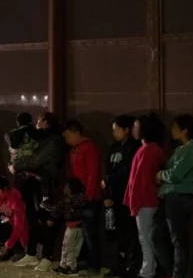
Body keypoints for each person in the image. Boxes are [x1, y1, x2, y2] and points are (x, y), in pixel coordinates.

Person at [151, 114, 193, 278]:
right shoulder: (182, 149)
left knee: (177, 240)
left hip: (179, 198)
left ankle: (177, 274)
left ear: (185, 131)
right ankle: (173, 272)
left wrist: (160, 175)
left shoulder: (192, 149)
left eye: (175, 127)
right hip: (172, 197)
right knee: (156, 236)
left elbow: (176, 174)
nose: (172, 130)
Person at [11, 112, 65, 271]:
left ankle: (47, 256)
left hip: (45, 184)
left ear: (47, 123)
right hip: (33, 182)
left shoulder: (54, 140)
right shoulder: (38, 138)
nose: (36, 123)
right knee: (33, 219)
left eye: (40, 120)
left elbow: (37, 160)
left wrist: (17, 166)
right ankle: (32, 253)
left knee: (46, 220)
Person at [124, 114, 166, 278]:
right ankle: (149, 269)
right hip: (147, 200)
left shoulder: (148, 151)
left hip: (145, 201)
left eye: (136, 125)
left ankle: (147, 271)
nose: (134, 129)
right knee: (146, 237)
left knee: (145, 238)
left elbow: (139, 182)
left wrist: (133, 202)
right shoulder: (149, 149)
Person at [103, 115, 142, 278]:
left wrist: (108, 180)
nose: (114, 133)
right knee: (118, 233)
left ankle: (133, 266)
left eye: (117, 129)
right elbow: (108, 171)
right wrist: (107, 194)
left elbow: (128, 173)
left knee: (131, 232)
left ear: (126, 130)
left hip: (129, 197)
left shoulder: (134, 148)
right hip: (115, 197)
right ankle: (120, 264)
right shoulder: (114, 147)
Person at [62, 119, 102, 276]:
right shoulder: (75, 149)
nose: (66, 140)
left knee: (90, 234)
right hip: (79, 198)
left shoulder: (89, 147)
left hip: (89, 198)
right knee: (81, 234)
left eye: (67, 135)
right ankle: (83, 262)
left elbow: (93, 173)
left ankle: (94, 266)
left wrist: (87, 197)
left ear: (76, 133)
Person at [48, 178, 88, 276]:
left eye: (66, 186)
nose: (64, 188)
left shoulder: (80, 198)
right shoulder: (65, 201)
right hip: (69, 227)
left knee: (72, 248)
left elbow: (79, 204)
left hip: (76, 228)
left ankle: (71, 267)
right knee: (65, 246)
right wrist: (52, 218)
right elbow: (57, 209)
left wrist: (69, 201)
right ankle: (63, 265)